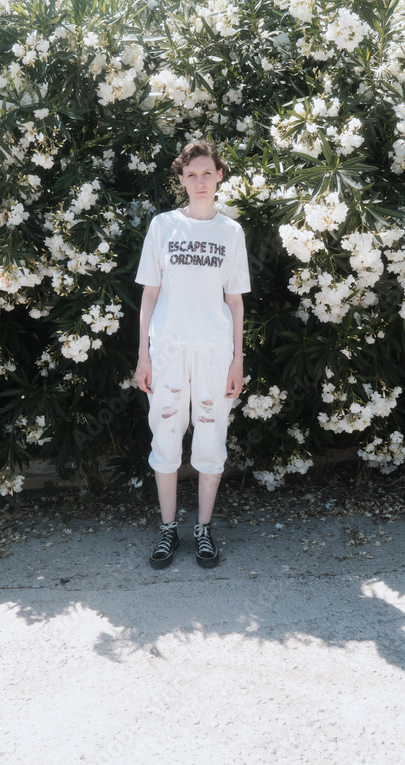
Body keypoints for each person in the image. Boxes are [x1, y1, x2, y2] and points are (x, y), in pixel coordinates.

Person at [134, 139, 251, 568]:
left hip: (215, 353)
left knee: (210, 438)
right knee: (164, 437)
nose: (199, 182)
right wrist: (143, 355)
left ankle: (203, 529)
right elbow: (149, 295)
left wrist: (238, 359)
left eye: (207, 173)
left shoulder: (231, 232)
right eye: (190, 175)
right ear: (181, 180)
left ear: (219, 175)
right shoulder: (163, 226)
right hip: (166, 349)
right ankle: (168, 530)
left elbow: (235, 301)